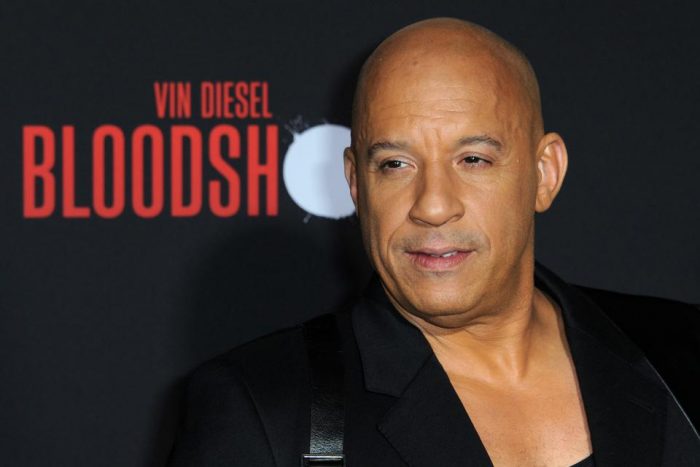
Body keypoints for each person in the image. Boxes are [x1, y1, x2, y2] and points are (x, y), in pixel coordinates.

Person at [167, 18, 700, 467]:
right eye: (395, 164)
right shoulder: (263, 411)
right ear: (356, 184)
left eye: (473, 159)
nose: (433, 205)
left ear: (544, 174)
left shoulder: (679, 352)